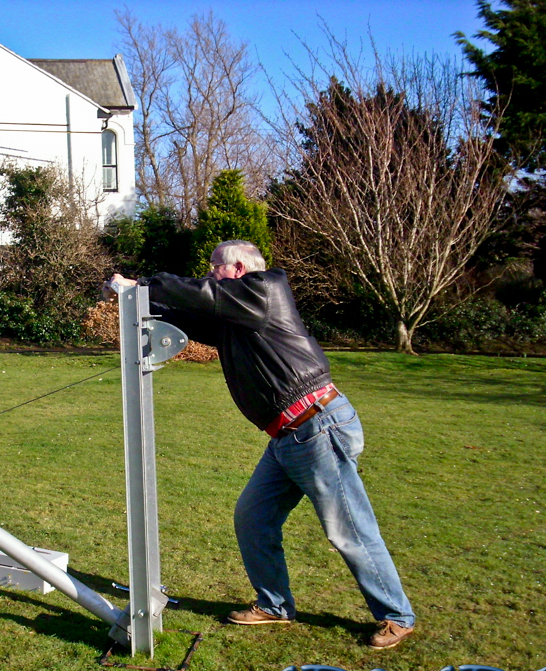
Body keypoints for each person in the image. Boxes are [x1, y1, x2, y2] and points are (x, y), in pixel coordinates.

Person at [106, 240, 416, 649]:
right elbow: (191, 316)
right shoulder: (237, 313)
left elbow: (203, 294)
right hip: (290, 435)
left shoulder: (266, 289)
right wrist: (133, 299)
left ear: (236, 268)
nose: (208, 273)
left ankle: (397, 616)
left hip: (317, 426)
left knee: (349, 530)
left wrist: (144, 282)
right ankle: (274, 606)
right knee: (253, 518)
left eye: (214, 266)